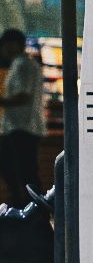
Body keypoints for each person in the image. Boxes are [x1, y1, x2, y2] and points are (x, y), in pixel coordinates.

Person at [0, 28, 48, 207]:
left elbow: (22, 95)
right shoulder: (23, 64)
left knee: (23, 170)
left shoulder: (22, 64)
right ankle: (30, 205)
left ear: (14, 45)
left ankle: (31, 207)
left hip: (21, 126)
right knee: (24, 169)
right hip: (22, 126)